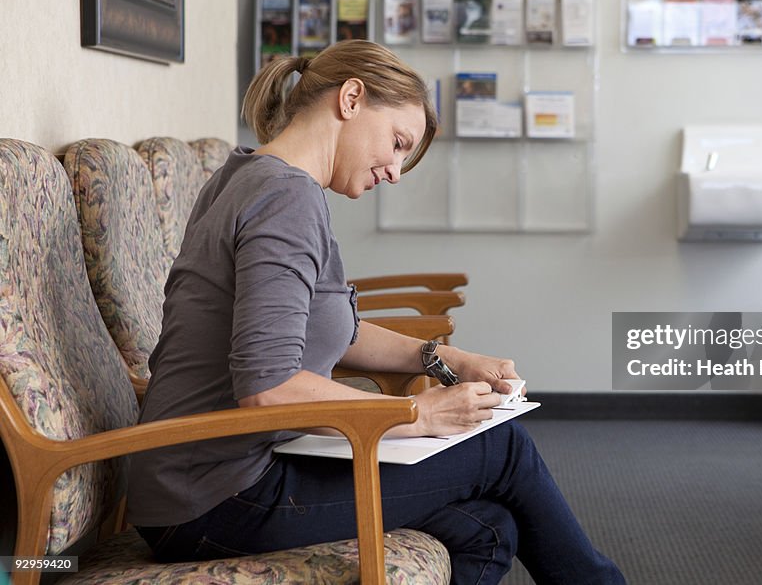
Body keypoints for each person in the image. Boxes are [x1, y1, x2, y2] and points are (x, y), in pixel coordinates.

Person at [126, 39, 625, 584]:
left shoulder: (249, 175)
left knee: (487, 527)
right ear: (352, 98)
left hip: (198, 478)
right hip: (214, 495)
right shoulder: (285, 199)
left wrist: (441, 357)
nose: (395, 171)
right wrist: (418, 416)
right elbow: (268, 386)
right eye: (397, 142)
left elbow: (324, 327)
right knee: (502, 447)